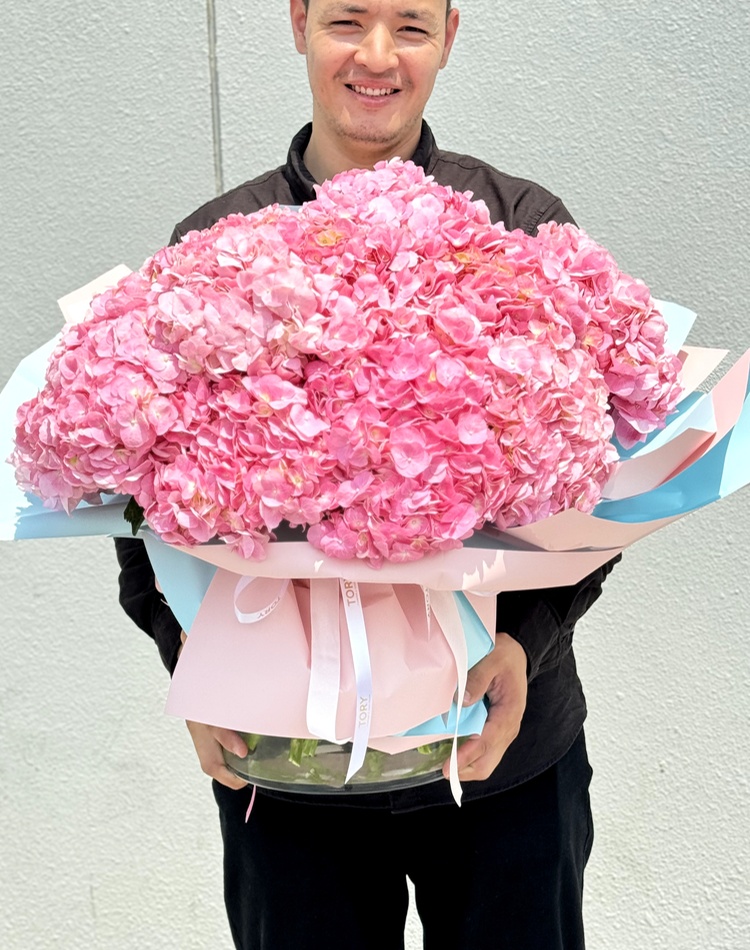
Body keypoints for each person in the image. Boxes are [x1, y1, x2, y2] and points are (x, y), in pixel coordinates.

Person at [115, 1, 620, 947]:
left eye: (411, 25)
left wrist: (530, 643)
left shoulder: (520, 229)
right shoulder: (218, 240)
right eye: (348, 19)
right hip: (288, 770)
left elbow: (599, 475)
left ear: (451, 34)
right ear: (300, 21)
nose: (377, 57)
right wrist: (193, 672)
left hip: (501, 747)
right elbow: (138, 507)